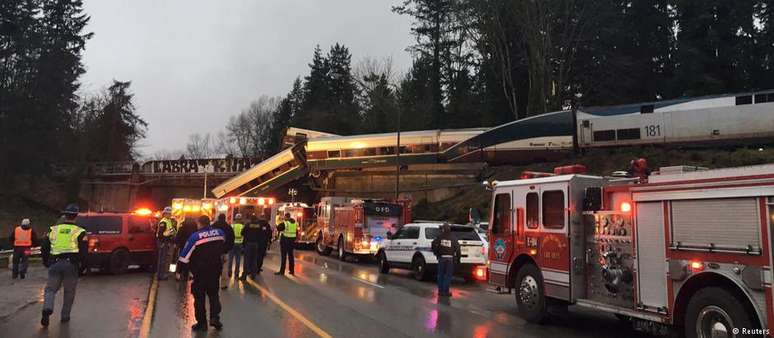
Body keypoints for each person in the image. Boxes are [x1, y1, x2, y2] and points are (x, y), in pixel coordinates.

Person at [40, 204, 88, 327]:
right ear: (76, 216)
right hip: (71, 265)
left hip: (54, 263)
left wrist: (46, 261)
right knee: (69, 292)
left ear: (64, 215)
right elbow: (83, 252)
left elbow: (44, 247)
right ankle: (65, 317)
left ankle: (47, 308)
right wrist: (83, 267)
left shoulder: (53, 229)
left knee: (50, 289)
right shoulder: (80, 231)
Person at [178, 215, 225, 331]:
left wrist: (180, 271)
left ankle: (202, 323)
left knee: (199, 298)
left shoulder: (195, 237)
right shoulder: (219, 233)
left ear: (199, 224)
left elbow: (184, 257)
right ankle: (215, 318)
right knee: (214, 295)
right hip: (215, 270)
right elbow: (224, 245)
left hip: (200, 272)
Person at [431, 222, 460, 297]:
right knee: (448, 275)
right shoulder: (453, 238)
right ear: (449, 229)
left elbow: (433, 244)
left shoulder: (439, 237)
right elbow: (458, 249)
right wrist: (458, 259)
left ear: (443, 229)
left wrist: (436, 253)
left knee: (440, 275)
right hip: (450, 258)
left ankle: (441, 291)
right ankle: (445, 291)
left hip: (442, 258)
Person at [212, 213, 234, 288]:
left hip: (214, 251)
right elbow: (232, 239)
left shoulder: (214, 226)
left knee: (214, 267)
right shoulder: (228, 227)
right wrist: (228, 249)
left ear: (218, 218)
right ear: (225, 218)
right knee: (224, 268)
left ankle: (213, 283)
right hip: (224, 251)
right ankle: (223, 285)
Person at [155, 207, 177, 280]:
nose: (169, 215)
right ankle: (160, 276)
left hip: (167, 241)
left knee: (165, 259)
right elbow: (160, 234)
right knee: (162, 260)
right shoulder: (163, 222)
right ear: (164, 214)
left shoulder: (169, 221)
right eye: (168, 213)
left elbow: (171, 231)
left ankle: (163, 274)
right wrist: (162, 243)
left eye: (170, 213)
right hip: (163, 242)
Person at [174, 217, 197, 282]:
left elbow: (179, 234)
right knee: (191, 259)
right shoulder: (195, 224)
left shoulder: (183, 224)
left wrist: (176, 242)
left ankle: (178, 274)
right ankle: (189, 274)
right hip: (192, 245)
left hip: (183, 244)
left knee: (182, 259)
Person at [228, 213, 245, 278]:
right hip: (240, 244)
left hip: (232, 244)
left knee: (230, 259)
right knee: (238, 259)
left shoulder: (232, 226)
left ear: (235, 219)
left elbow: (230, 235)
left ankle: (229, 272)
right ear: (240, 220)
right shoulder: (243, 226)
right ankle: (237, 273)